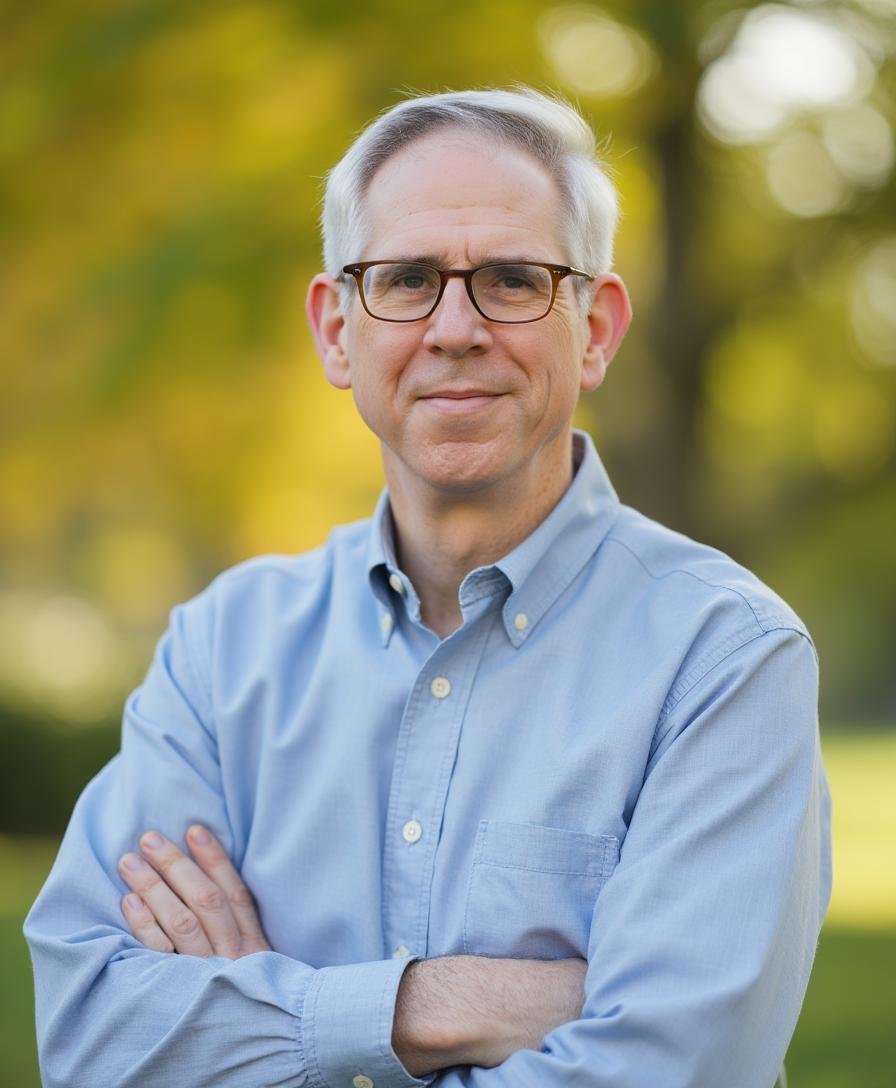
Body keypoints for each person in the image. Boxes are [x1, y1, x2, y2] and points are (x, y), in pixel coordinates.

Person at [25, 88, 831, 1088]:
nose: (454, 327)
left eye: (510, 278)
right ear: (334, 328)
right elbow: (94, 1039)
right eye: (404, 278)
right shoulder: (221, 649)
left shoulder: (723, 654)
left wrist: (266, 1020)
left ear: (595, 328)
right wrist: (448, 1000)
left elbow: (673, 1069)